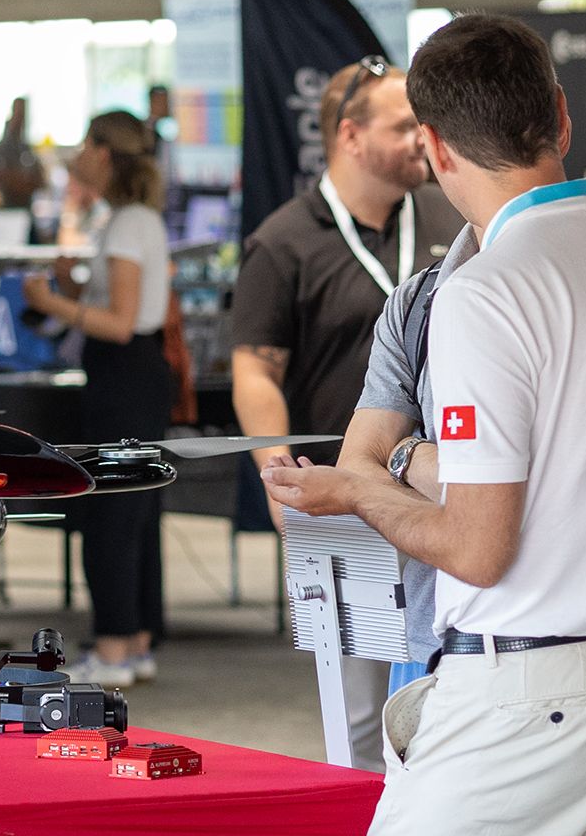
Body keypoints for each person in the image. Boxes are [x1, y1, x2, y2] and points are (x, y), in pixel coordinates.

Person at [265, 15, 586, 835]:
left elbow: (477, 548)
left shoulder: (485, 292)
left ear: (435, 148)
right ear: (560, 116)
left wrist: (359, 490)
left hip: (522, 694)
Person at [229, 56, 460, 770]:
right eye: (403, 126)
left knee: (448, 690)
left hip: (446, 490)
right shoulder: (283, 243)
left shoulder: (450, 220)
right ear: (350, 136)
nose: (422, 138)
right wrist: (277, 474)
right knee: (361, 715)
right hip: (343, 504)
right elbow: (255, 372)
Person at [21, 111, 171, 688]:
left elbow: (120, 323)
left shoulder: (128, 223)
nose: (77, 155)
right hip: (137, 373)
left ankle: (112, 648)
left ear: (104, 152)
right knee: (135, 513)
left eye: (85, 143)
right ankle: (134, 642)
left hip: (123, 372)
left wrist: (50, 302)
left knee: (111, 514)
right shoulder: (132, 219)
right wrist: (73, 286)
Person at [0, 97, 47, 213]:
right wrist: (25, 183)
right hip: (8, 210)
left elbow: (41, 180)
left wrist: (28, 182)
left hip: (26, 209)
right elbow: (1, 176)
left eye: (24, 113)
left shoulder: (26, 147)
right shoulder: (3, 147)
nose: (21, 117)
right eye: (18, 112)